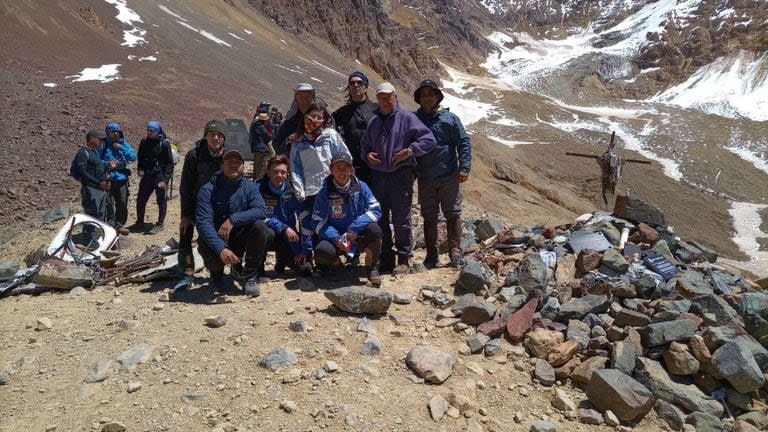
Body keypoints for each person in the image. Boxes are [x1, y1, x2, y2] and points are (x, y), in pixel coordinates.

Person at [360, 82, 436, 275]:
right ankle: (386, 258)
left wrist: (410, 151)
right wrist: (367, 154)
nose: (384, 101)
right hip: (378, 176)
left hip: (401, 175)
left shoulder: (408, 118)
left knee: (402, 218)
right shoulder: (374, 121)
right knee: (381, 218)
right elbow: (364, 145)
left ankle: (403, 258)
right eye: (381, 97)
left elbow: (429, 140)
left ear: (395, 97)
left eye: (388, 97)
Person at [413, 80, 472, 268]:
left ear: (438, 96)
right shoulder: (414, 120)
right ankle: (431, 254)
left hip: (449, 176)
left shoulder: (450, 119)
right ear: (419, 98)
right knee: (429, 216)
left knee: (453, 213)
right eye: (424, 94)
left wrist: (464, 167)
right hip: (425, 177)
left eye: (431, 94)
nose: (428, 97)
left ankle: (455, 252)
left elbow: (463, 142)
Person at [196, 149, 269, 295]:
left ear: (243, 166)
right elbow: (203, 222)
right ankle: (217, 275)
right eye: (229, 162)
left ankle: (249, 275)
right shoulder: (208, 190)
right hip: (219, 238)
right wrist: (221, 248)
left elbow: (261, 210)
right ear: (222, 166)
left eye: (238, 162)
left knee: (260, 227)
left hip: (239, 237)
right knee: (205, 240)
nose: (234, 165)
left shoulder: (250, 187)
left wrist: (233, 219)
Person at [312, 153, 382, 285]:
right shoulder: (324, 192)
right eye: (338, 168)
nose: (342, 172)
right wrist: (335, 237)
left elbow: (375, 210)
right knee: (322, 251)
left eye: (345, 167)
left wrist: (355, 229)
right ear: (331, 170)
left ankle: (371, 268)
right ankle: (337, 266)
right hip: (336, 238)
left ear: (352, 170)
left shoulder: (361, 187)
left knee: (375, 230)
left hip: (357, 234)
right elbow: (317, 221)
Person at [175, 120, 227, 290]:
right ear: (205, 136)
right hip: (198, 205)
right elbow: (186, 187)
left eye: (219, 134)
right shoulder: (194, 155)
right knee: (185, 232)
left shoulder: (228, 156)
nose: (216, 138)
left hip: (220, 207)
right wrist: (186, 214)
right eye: (212, 134)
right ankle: (186, 273)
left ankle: (218, 272)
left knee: (214, 238)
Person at [257, 155, 313, 277]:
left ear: (287, 174)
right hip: (267, 235)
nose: (279, 175)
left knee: (306, 269)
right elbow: (257, 216)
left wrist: (305, 250)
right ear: (268, 172)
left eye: (283, 172)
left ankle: (281, 262)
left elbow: (304, 217)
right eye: (275, 172)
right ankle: (258, 270)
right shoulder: (258, 189)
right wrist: (283, 227)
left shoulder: (292, 190)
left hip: (287, 237)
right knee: (261, 230)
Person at [290, 103, 351, 208]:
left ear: (324, 120)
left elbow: (345, 159)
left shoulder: (331, 135)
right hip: (310, 193)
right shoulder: (298, 143)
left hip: (333, 189)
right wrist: (300, 192)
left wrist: (343, 183)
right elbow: (295, 169)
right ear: (306, 116)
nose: (315, 120)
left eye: (319, 117)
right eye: (313, 116)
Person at [332, 71, 377, 184]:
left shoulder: (377, 109)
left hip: (376, 165)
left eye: (359, 83)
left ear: (366, 87)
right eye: (352, 83)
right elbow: (325, 127)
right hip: (353, 167)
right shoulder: (341, 113)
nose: (356, 85)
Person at [133, 121, 174, 234]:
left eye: (152, 131)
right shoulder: (144, 142)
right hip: (147, 175)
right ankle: (140, 222)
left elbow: (169, 163)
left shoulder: (164, 143)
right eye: (148, 130)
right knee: (141, 199)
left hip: (159, 176)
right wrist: (140, 169)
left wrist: (165, 180)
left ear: (157, 132)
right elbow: (140, 157)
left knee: (161, 200)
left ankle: (160, 223)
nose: (149, 133)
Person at [273, 83, 330, 156]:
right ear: (296, 100)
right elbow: (276, 147)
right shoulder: (290, 123)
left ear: (313, 98)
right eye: (300, 97)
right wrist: (288, 142)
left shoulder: (326, 119)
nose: (304, 101)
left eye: (307, 97)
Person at [101, 122, 137, 235]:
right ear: (108, 132)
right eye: (113, 131)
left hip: (122, 178)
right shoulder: (103, 144)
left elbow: (133, 157)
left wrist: (121, 147)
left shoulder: (123, 143)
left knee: (122, 201)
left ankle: (120, 225)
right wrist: (107, 164)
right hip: (108, 178)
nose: (116, 133)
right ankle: (110, 226)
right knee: (108, 203)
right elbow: (96, 160)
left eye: (118, 131)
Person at [75, 130, 110, 228]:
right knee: (92, 217)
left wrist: (108, 170)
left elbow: (97, 170)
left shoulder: (94, 153)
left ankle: (98, 239)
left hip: (100, 189)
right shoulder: (83, 153)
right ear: (92, 139)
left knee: (100, 215)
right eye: (100, 140)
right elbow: (83, 172)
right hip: (91, 189)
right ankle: (90, 241)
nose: (101, 142)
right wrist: (99, 183)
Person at [250, 102, 275, 179]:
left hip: (256, 147)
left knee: (257, 166)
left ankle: (255, 181)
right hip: (261, 148)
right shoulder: (260, 126)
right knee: (262, 167)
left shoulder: (255, 123)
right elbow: (267, 136)